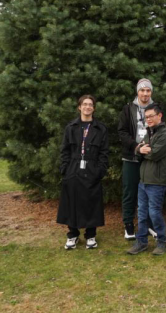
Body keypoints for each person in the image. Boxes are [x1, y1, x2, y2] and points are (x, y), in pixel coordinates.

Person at [57, 95, 109, 250]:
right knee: (72, 201)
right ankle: (72, 235)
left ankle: (90, 235)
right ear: (79, 107)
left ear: (93, 108)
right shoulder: (71, 127)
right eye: (84, 104)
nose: (87, 107)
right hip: (73, 168)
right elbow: (64, 150)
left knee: (91, 202)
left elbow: (104, 152)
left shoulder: (100, 128)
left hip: (92, 168)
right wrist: (65, 168)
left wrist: (100, 170)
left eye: (90, 104)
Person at [127, 103, 166, 255]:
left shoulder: (165, 135)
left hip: (157, 182)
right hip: (143, 180)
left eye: (151, 116)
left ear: (159, 116)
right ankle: (141, 242)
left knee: (154, 213)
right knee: (141, 213)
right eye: (146, 117)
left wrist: (141, 150)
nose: (148, 119)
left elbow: (154, 154)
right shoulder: (149, 132)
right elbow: (139, 149)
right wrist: (139, 149)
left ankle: (162, 241)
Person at [118, 78, 156, 240]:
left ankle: (148, 225)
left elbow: (160, 130)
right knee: (130, 192)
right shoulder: (128, 109)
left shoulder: (156, 108)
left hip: (150, 158)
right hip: (131, 157)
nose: (145, 93)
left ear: (151, 92)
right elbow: (122, 132)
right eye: (142, 90)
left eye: (148, 90)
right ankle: (128, 225)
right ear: (137, 92)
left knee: (149, 192)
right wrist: (136, 146)